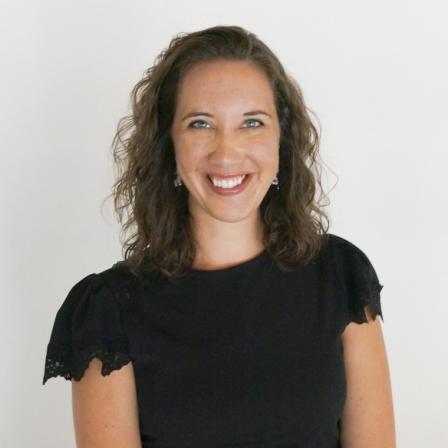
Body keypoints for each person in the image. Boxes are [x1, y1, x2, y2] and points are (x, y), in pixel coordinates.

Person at [43, 25, 396, 448]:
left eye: (251, 122)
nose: (227, 152)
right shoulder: (107, 312)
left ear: (281, 141)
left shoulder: (340, 276)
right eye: (200, 123)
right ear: (167, 145)